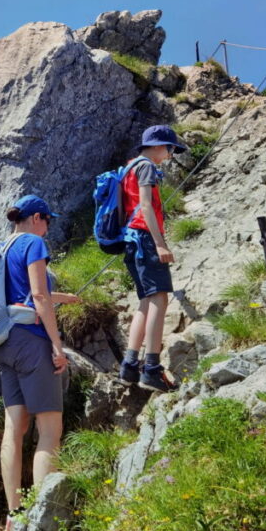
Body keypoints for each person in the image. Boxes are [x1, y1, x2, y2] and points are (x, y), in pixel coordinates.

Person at [0, 195, 81, 531]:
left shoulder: (2, 247)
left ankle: (14, 514)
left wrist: (66, 298)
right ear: (36, 218)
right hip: (32, 343)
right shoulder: (32, 242)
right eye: (48, 220)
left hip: (4, 344)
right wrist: (57, 347)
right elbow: (39, 296)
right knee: (49, 430)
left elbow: (22, 296)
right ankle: (41, 517)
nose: (48, 227)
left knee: (14, 428)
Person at [117, 125, 188, 393]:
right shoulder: (146, 166)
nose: (170, 155)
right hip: (145, 238)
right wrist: (160, 244)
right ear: (158, 145)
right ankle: (152, 367)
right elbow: (145, 205)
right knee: (159, 297)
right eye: (170, 149)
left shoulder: (129, 167)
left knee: (146, 300)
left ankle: (129, 364)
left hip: (130, 240)